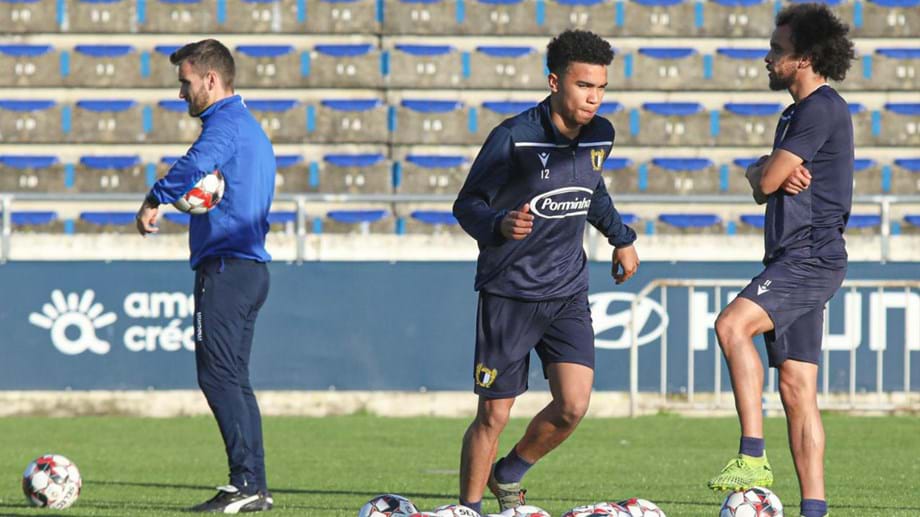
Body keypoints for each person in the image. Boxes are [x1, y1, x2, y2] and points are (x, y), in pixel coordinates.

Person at [452, 29, 639, 515]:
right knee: (493, 413)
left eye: (601, 87)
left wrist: (620, 238)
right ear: (555, 82)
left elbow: (591, 189)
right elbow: (466, 203)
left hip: (567, 291)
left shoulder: (602, 133)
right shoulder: (513, 137)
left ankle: (509, 473)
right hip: (510, 293)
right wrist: (498, 223)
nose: (594, 97)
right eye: (584, 86)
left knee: (573, 404)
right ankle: (468, 509)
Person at [706, 5, 855, 517]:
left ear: (805, 58)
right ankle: (815, 510)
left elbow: (766, 183)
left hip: (809, 258)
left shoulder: (820, 108)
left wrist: (767, 172)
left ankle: (751, 457)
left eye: (777, 50)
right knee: (796, 387)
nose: (768, 58)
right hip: (797, 257)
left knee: (730, 325)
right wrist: (765, 169)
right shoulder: (793, 114)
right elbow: (762, 181)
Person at [135, 38, 276, 514]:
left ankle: (247, 483)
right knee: (232, 379)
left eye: (186, 82)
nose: (181, 94)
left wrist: (155, 198)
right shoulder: (250, 129)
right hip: (249, 268)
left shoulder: (227, 124)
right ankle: (253, 486)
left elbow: (196, 163)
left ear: (210, 80)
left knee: (218, 377)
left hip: (227, 269)